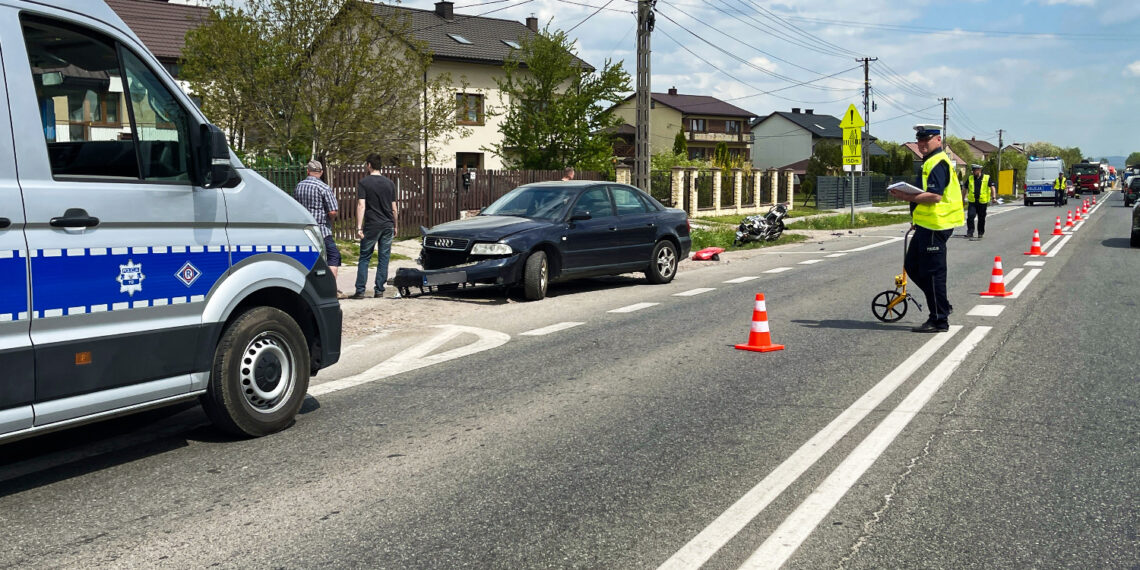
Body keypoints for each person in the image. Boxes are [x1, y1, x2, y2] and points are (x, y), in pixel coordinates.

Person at [888, 124, 963, 333]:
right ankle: (942, 305)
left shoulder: (938, 162)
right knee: (912, 266)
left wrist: (905, 196)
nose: (922, 144)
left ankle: (939, 319)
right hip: (925, 224)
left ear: (938, 140)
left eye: (926, 140)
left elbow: (935, 196)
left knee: (933, 274)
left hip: (935, 225)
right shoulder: (930, 161)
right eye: (919, 140)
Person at [352, 154, 398, 299]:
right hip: (387, 224)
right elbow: (394, 208)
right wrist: (395, 225)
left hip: (372, 224)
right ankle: (379, 289)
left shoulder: (364, 183)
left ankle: (360, 290)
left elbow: (361, 205)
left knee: (365, 257)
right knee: (384, 257)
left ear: (369, 165)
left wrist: (359, 227)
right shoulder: (390, 183)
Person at [293, 159, 341, 281]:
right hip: (322, 230)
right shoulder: (323, 187)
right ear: (321, 172)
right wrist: (331, 218)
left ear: (308, 171)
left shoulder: (299, 186)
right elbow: (332, 211)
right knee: (333, 256)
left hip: (304, 230)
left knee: (311, 259)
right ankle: (332, 288)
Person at [964, 164, 995, 240]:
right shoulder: (970, 178)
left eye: (975, 170)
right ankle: (970, 232)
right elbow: (964, 189)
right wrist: (963, 199)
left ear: (979, 170)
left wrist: (993, 197)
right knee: (970, 216)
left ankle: (980, 233)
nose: (973, 172)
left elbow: (992, 187)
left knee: (981, 218)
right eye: (973, 170)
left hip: (982, 202)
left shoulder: (987, 178)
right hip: (972, 201)